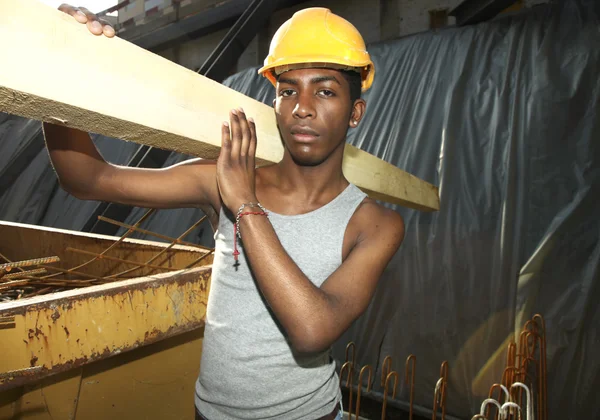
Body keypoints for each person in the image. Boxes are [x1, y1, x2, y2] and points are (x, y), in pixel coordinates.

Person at [46, 5, 405, 420]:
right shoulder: (227, 176)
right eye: (288, 90)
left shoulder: (374, 224)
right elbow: (88, 178)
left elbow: (313, 331)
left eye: (325, 91)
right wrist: (59, 66)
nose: (302, 108)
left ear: (354, 113)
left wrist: (245, 205)